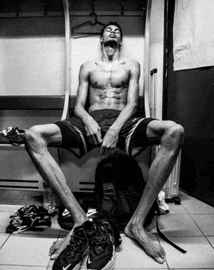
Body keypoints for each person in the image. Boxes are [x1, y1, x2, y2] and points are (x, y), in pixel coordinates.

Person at [24, 22, 184, 265]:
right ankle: (79, 220)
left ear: (120, 41)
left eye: (117, 31)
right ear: (100, 38)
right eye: (108, 30)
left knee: (174, 131)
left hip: (124, 121)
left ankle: (136, 225)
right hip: (91, 120)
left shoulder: (131, 65)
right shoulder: (88, 66)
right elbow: (79, 104)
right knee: (33, 135)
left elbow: (131, 103)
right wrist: (87, 119)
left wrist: (116, 129)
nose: (113, 32)